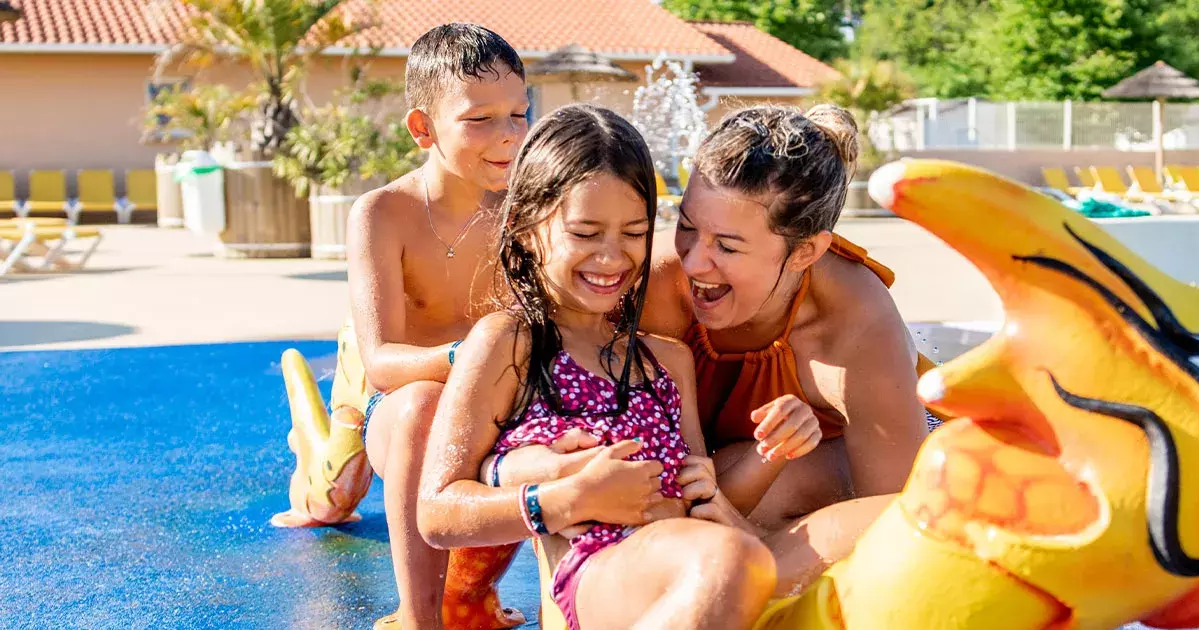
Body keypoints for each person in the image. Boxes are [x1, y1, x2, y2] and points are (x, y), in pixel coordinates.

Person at [495, 104, 935, 597]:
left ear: (806, 252)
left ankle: (757, 569)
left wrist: (746, 535)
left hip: (813, 476)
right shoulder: (651, 281)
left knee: (845, 489)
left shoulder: (856, 328)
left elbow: (899, 514)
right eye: (686, 226)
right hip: (706, 483)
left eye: (727, 245)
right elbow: (528, 416)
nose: (695, 261)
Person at [417, 103, 777, 630]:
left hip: (684, 562)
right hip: (592, 579)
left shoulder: (668, 361)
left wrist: (753, 464)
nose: (612, 257)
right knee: (729, 562)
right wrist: (564, 498)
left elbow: (698, 492)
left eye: (634, 233)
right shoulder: (509, 344)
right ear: (524, 227)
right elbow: (438, 511)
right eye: (585, 233)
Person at [337, 22, 530, 629]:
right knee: (419, 406)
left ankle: (488, 594)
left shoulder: (525, 212)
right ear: (423, 128)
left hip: (489, 417)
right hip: (402, 418)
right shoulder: (383, 214)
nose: (506, 137)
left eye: (518, 115)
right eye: (479, 120)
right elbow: (382, 362)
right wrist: (468, 356)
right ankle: (418, 617)